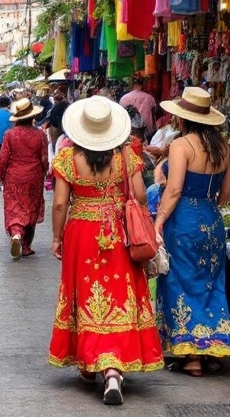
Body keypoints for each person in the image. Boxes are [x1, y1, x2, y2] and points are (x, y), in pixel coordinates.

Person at [48, 96, 163, 405]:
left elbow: (60, 203)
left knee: (85, 294)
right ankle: (114, 370)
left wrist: (56, 237)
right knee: (119, 294)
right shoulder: (127, 155)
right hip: (118, 231)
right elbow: (139, 195)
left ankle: (92, 360)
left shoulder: (68, 158)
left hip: (81, 233)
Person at [154, 87, 230, 376]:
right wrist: (209, 205)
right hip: (211, 219)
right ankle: (211, 348)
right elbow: (228, 191)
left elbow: (175, 189)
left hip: (184, 220)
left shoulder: (182, 145)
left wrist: (158, 222)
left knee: (181, 282)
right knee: (210, 283)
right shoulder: (223, 148)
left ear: (183, 119)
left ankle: (191, 356)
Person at [0, 99, 48, 259]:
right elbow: (44, 158)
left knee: (14, 206)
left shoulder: (9, 134)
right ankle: (26, 246)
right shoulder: (40, 134)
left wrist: (1, 176)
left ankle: (16, 234)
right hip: (34, 176)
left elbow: (3, 158)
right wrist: (44, 172)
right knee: (31, 207)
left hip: (14, 175)